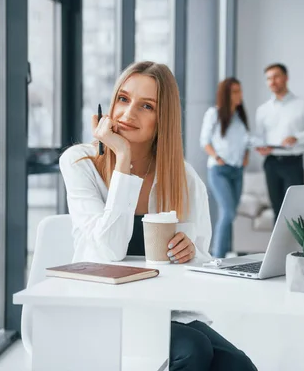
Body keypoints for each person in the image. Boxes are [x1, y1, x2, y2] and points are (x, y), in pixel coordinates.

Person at [59, 61, 257, 371]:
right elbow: (106, 250)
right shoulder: (79, 162)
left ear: (162, 118)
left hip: (165, 309)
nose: (128, 114)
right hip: (105, 306)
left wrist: (190, 253)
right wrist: (122, 158)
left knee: (238, 365)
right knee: (192, 350)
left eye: (146, 106)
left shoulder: (184, 178)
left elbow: (204, 262)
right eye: (123, 99)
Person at [255, 63, 304, 221]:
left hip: (293, 163)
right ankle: (278, 247)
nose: (272, 81)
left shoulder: (303, 105)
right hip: (271, 162)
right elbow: (260, 137)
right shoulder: (263, 110)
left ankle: (296, 246)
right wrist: (261, 147)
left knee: (295, 210)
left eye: (276, 76)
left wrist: (297, 138)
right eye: (269, 78)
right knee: (277, 211)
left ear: (286, 78)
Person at [199, 77, 250, 258]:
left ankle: (226, 253)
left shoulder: (240, 117)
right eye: (235, 91)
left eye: (240, 90)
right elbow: (204, 141)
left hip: (237, 171)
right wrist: (217, 157)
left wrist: (246, 157)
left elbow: (246, 142)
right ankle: (218, 257)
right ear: (226, 94)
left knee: (231, 214)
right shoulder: (214, 113)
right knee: (228, 212)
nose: (239, 95)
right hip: (219, 170)